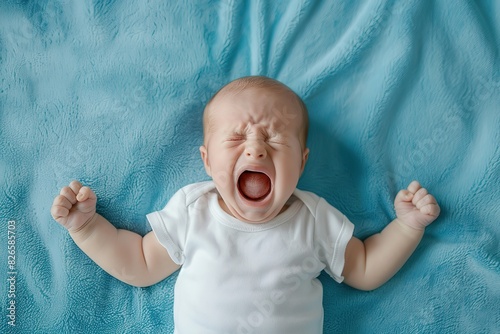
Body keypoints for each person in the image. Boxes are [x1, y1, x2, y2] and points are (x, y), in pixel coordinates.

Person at [51, 76, 440, 333]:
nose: (255, 147)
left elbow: (365, 268)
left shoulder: (314, 219)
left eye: (273, 140)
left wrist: (407, 227)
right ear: (206, 161)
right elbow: (139, 263)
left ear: (302, 163)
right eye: (236, 139)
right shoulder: (194, 211)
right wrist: (86, 229)